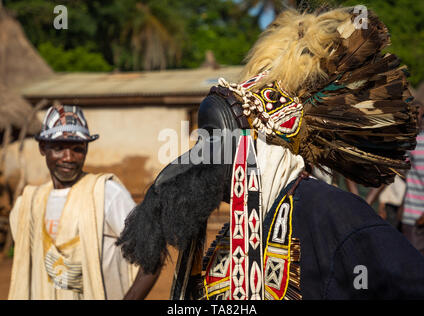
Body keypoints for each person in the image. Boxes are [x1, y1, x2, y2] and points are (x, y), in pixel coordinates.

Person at [117, 7, 424, 299]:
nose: (207, 159)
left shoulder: (335, 215)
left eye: (217, 145)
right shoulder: (238, 227)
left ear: (258, 149)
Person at [8, 105, 140, 300]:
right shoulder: (28, 205)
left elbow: (151, 254)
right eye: (59, 148)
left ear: (86, 149)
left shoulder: (106, 193)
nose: (68, 157)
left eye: (77, 149)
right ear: (43, 148)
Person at [400, 106, 424, 255]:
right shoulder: (415, 142)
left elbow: (402, 168)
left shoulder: (416, 142)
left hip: (415, 217)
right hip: (413, 216)